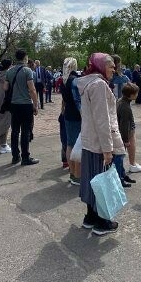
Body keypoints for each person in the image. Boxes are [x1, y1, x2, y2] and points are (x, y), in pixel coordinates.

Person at [75, 53, 125, 236]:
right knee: (101, 182)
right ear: (100, 66)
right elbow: (102, 120)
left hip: (90, 141)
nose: (114, 69)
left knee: (92, 181)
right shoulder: (99, 85)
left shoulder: (89, 83)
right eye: (111, 65)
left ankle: (90, 217)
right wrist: (107, 149)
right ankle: (102, 222)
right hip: (98, 143)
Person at [4, 49, 40, 166]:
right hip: (25, 104)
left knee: (14, 131)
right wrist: (36, 104)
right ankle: (25, 157)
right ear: (25, 58)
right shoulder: (27, 71)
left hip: (14, 104)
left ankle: (15, 156)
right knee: (25, 131)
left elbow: (5, 87)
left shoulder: (9, 71)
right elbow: (32, 89)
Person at [61, 57, 82, 186]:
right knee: (77, 146)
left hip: (68, 114)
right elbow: (78, 101)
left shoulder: (63, 80)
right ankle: (77, 175)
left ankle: (72, 172)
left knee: (70, 144)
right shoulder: (75, 80)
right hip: (76, 116)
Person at [116, 82, 139, 188]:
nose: (137, 95)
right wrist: (126, 140)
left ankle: (123, 174)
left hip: (120, 134)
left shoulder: (121, 101)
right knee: (119, 157)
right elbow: (124, 125)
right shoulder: (125, 107)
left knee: (120, 157)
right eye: (136, 93)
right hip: (122, 135)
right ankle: (120, 178)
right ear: (131, 95)